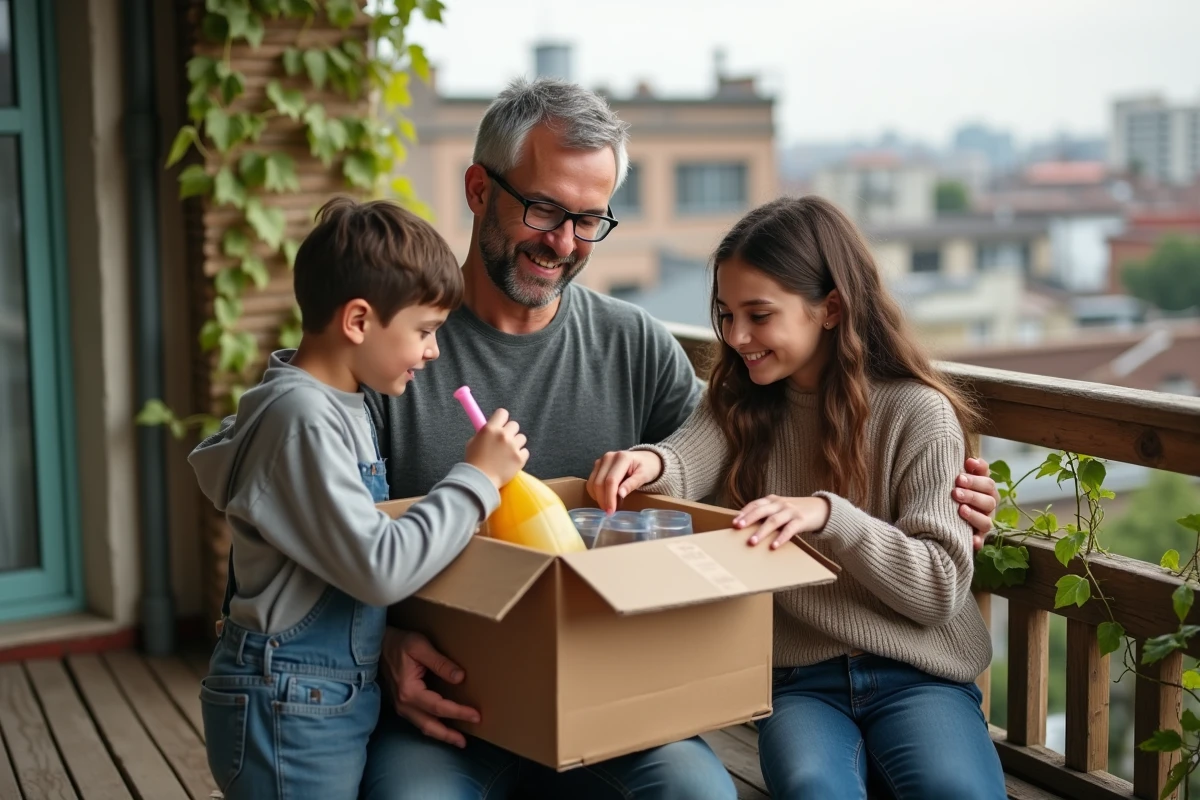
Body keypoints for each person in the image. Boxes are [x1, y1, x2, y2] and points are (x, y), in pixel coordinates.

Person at [361, 77, 1001, 799]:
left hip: (616, 702)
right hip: (452, 708)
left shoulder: (634, 344)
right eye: (545, 209)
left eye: (589, 220)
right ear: (479, 190)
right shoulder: (387, 350)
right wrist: (382, 646)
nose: (564, 242)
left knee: (699, 792)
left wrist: (955, 509)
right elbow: (312, 536)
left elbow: (709, 456)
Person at [588, 195, 1007, 800]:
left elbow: (940, 588)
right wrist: (645, 462)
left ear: (830, 308)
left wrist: (831, 516)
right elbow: (682, 462)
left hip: (921, 674)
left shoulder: (919, 413)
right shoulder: (737, 403)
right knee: (815, 790)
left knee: (956, 792)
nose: (737, 336)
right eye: (726, 314)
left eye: (759, 315)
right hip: (799, 684)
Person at [187, 198, 529, 800]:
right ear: (358, 321)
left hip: (320, 698)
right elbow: (378, 566)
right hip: (288, 708)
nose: (433, 351)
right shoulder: (302, 420)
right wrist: (476, 480)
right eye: (424, 331)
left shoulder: (337, 405)